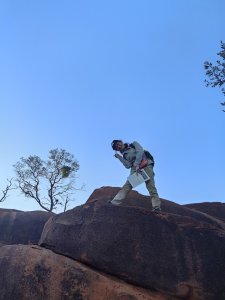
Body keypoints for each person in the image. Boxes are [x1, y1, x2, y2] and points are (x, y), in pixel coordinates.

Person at [110, 140, 161, 212]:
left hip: (145, 165)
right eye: (116, 147)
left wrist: (137, 163)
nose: (118, 146)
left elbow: (140, 151)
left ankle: (156, 207)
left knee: (151, 187)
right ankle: (114, 202)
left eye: (118, 144)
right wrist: (119, 157)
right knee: (127, 185)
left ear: (121, 141)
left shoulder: (134, 144)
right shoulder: (124, 155)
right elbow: (128, 166)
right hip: (136, 170)